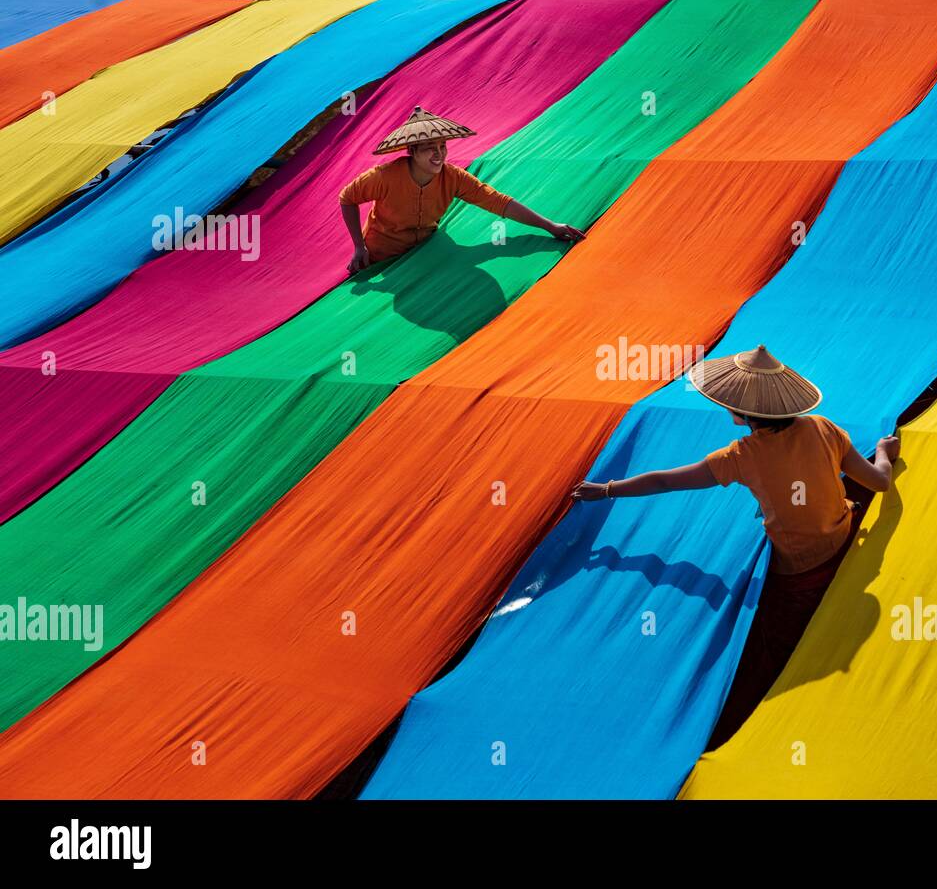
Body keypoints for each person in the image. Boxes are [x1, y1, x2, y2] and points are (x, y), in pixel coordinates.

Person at [571, 344, 900, 748]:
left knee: (767, 649)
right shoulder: (824, 428)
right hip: (845, 542)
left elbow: (666, 481)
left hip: (799, 571)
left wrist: (606, 489)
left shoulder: (742, 456)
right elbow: (879, 482)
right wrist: (883, 452)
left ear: (741, 413)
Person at [340, 106, 585, 274]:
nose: (439, 154)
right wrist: (359, 246)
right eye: (429, 148)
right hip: (382, 256)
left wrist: (549, 226)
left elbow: (498, 202)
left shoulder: (453, 177)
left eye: (442, 146)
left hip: (427, 251)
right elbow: (347, 198)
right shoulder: (384, 177)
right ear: (412, 152)